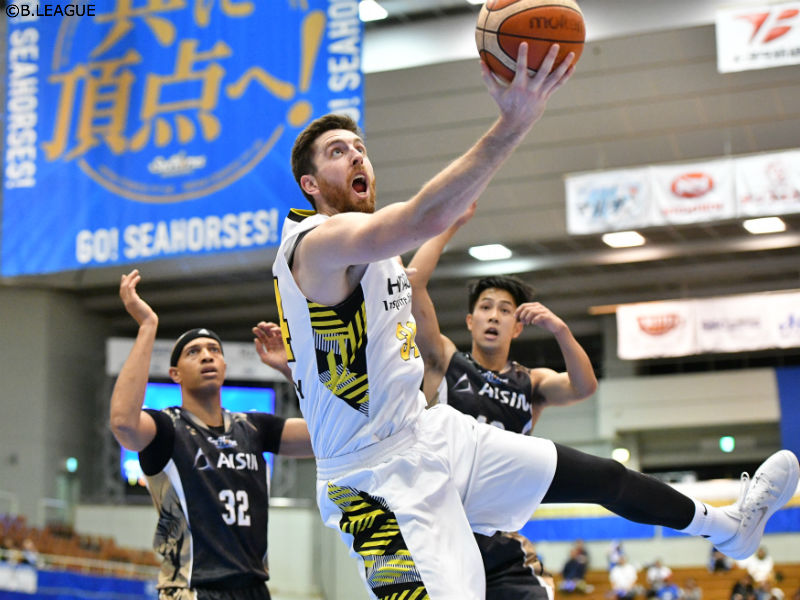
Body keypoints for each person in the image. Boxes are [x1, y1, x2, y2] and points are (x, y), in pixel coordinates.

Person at [271, 40, 800, 600]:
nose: (356, 156)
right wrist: (513, 123)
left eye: (360, 147)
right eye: (337, 152)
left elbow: (403, 274)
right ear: (310, 185)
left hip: (429, 434)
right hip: (373, 479)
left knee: (602, 476)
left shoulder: (374, 253)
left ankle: (728, 527)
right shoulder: (314, 244)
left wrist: (449, 220)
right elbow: (418, 218)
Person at [406, 202, 597, 600]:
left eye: (505, 310)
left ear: (518, 326)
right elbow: (414, 284)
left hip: (497, 532)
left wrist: (561, 331)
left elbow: (584, 387)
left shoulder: (531, 382)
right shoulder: (444, 360)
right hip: (442, 525)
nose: (494, 316)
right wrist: (450, 223)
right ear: (470, 321)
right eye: (485, 308)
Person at [110, 269, 313, 600]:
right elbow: (122, 422)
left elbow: (329, 435)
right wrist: (147, 325)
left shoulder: (254, 427)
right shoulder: (166, 428)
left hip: (253, 589)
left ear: (224, 367)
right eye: (193, 352)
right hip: (191, 589)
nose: (207, 355)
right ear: (174, 373)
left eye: (214, 350)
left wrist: (291, 370)